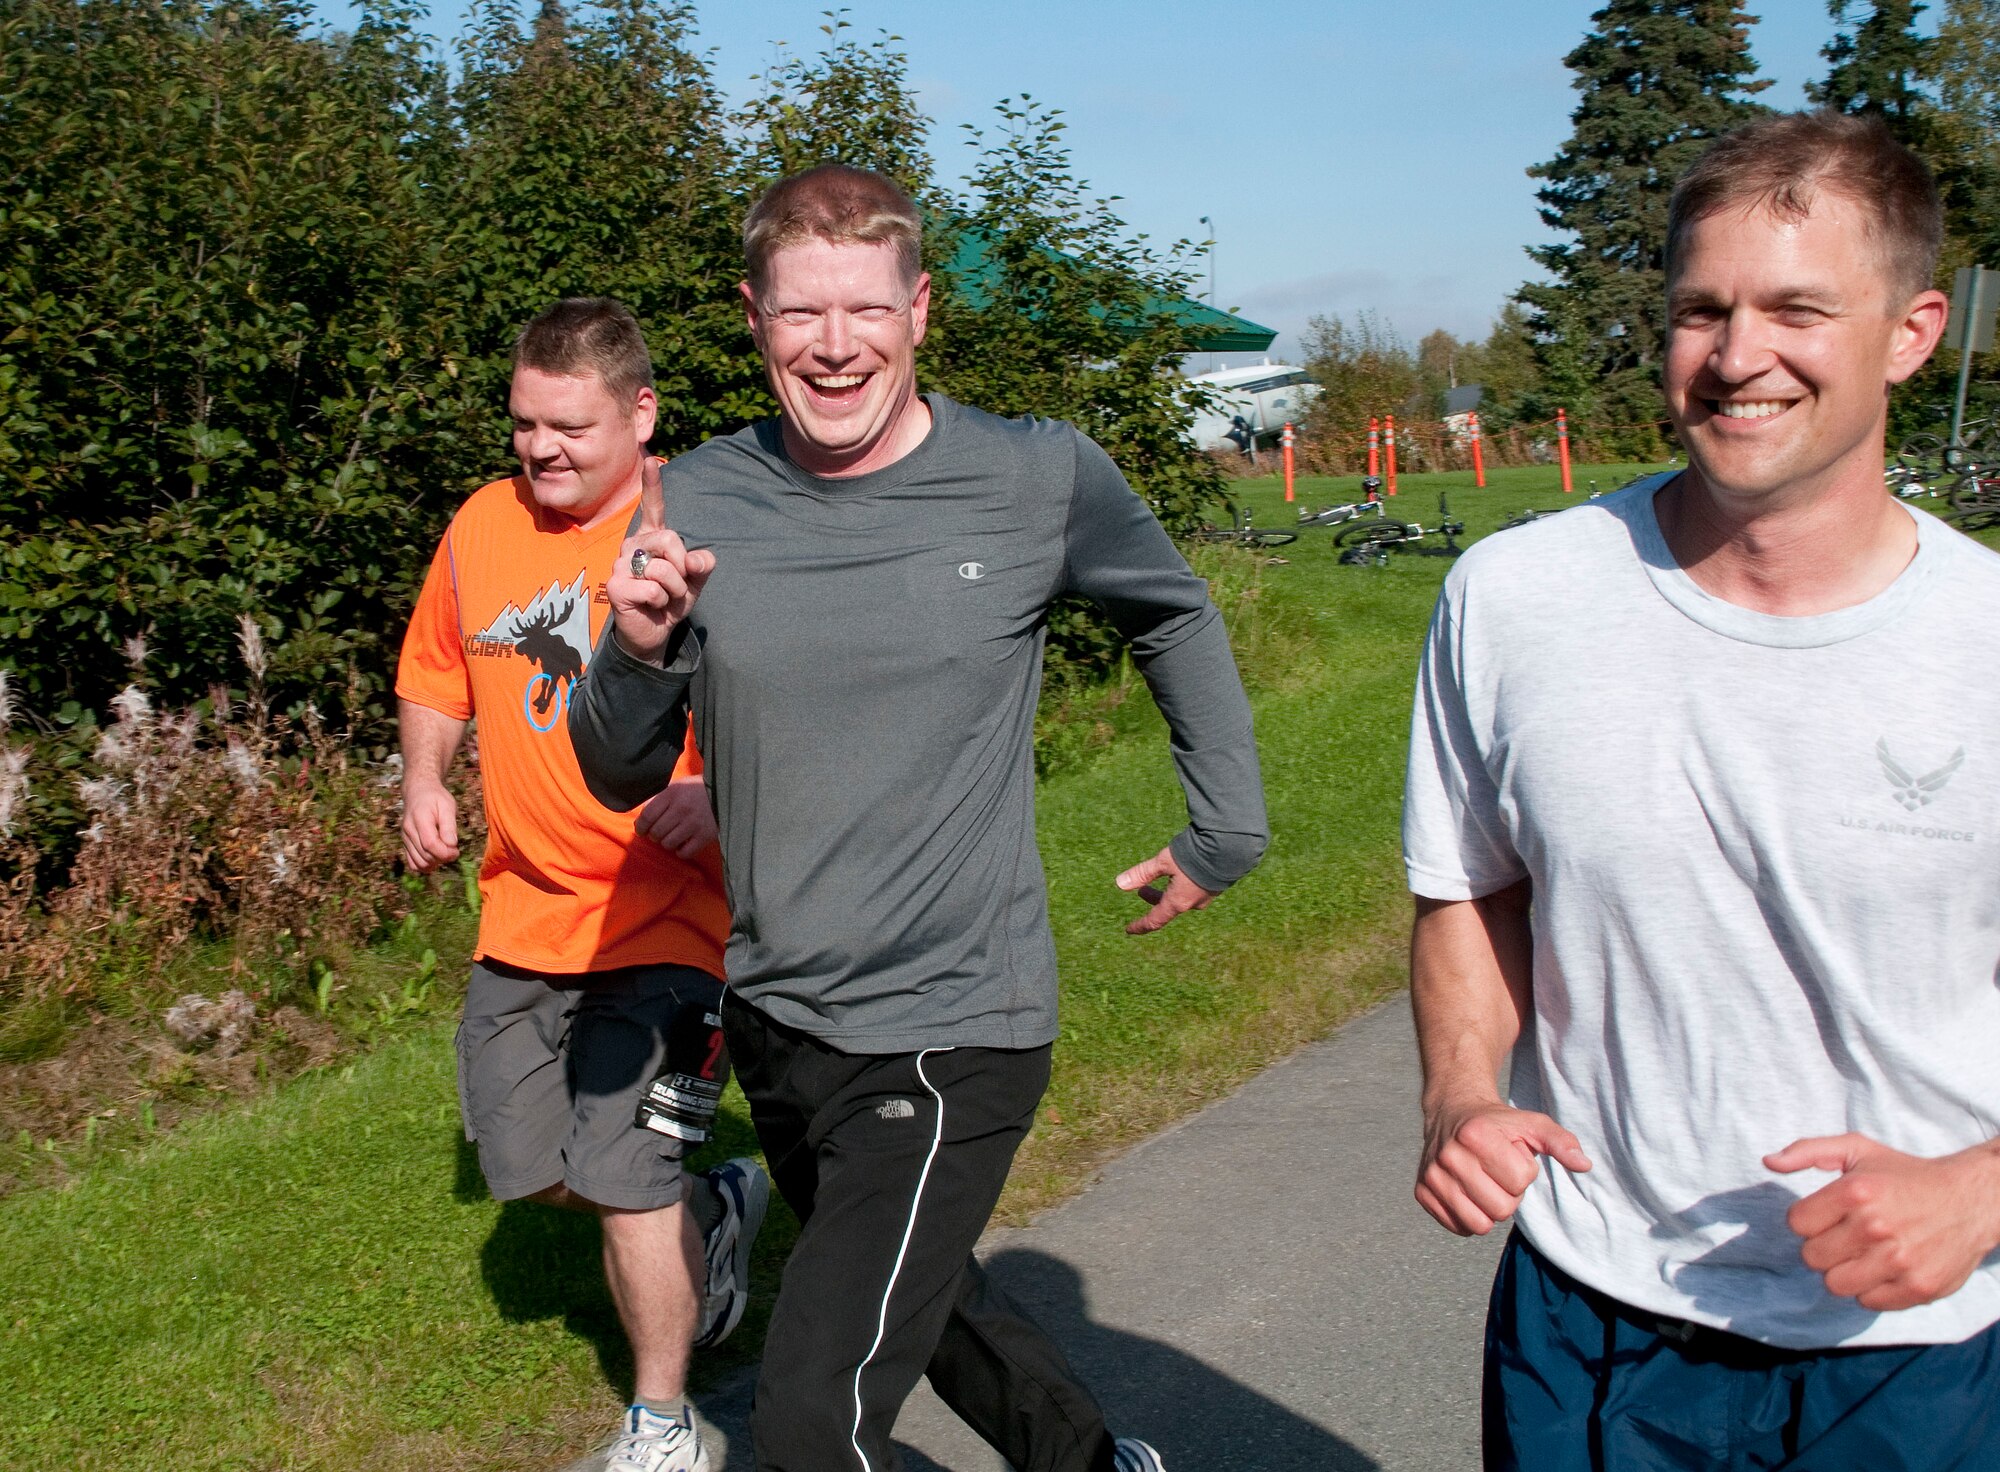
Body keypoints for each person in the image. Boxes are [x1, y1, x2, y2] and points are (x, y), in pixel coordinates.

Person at [568, 164, 1269, 1472]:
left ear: (921, 310)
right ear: (753, 317)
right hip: (778, 1016)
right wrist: (640, 647)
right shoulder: (697, 501)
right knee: (929, 1300)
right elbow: (615, 771)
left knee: (808, 1418)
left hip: (957, 1026)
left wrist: (1224, 820)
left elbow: (1171, 610)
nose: (835, 347)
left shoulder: (1033, 477)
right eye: (799, 315)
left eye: (865, 311)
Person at [1404, 110, 2000, 1470]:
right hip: (1591, 1324)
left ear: (1910, 334)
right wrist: (1458, 1092)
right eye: (1701, 310)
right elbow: (1469, 889)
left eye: (1797, 309)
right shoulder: (1516, 598)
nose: (1739, 359)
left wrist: (1979, 1192)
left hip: (1914, 1354)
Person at [397, 297, 771, 1472]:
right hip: (521, 911)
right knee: (527, 1166)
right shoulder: (478, 524)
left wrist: (722, 796)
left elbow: (797, 704)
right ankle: (715, 1208)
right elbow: (435, 667)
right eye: (523, 425)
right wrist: (422, 778)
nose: (540, 449)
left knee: (620, 1176)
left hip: (667, 918)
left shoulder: (703, 533)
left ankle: (661, 1420)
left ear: (639, 413)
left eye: (567, 427)